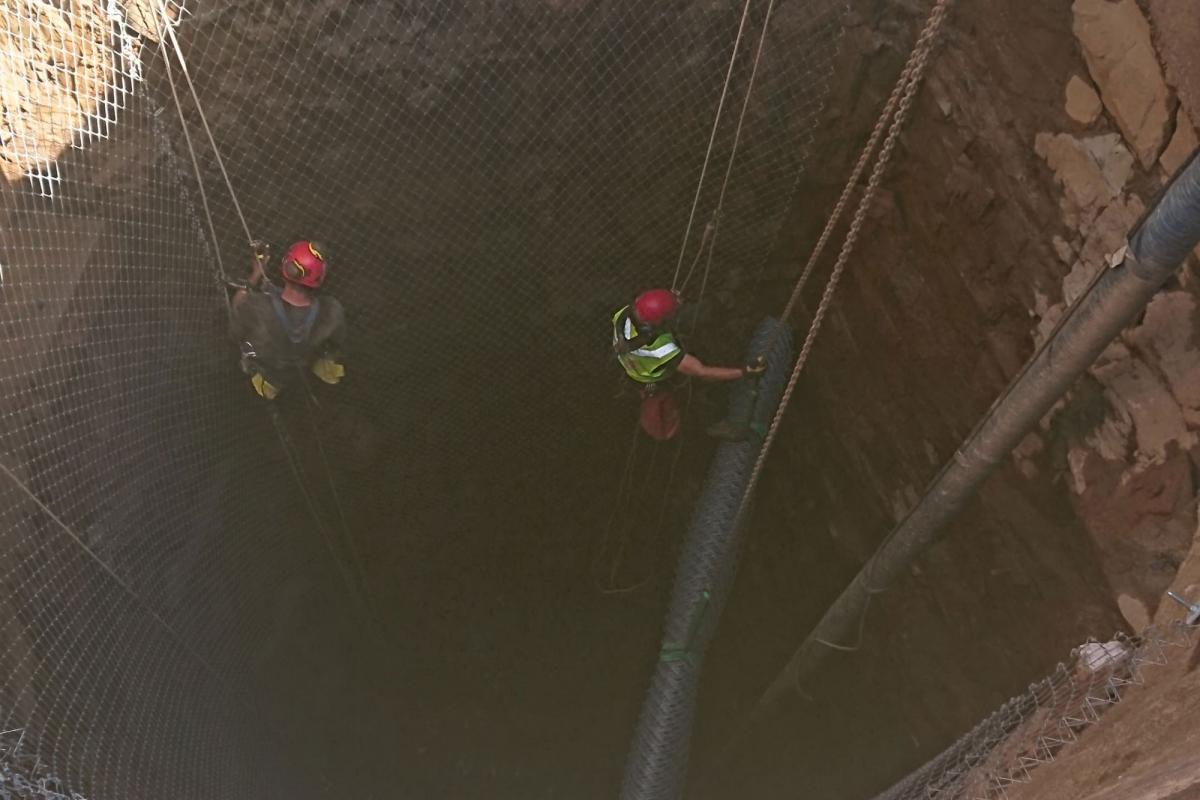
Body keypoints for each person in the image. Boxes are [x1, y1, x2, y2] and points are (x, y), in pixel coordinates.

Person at [613, 288, 764, 440]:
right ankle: (719, 426)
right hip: (655, 378)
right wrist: (744, 371)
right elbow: (701, 371)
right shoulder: (659, 349)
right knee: (699, 395)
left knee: (689, 317)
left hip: (638, 365)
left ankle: (721, 302)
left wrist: (670, 299)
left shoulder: (623, 315)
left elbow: (652, 305)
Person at [230, 239, 346, 400]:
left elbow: (237, 313)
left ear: (286, 268)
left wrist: (256, 273)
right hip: (302, 364)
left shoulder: (257, 307)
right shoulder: (331, 311)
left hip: (269, 378)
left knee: (246, 343)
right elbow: (335, 342)